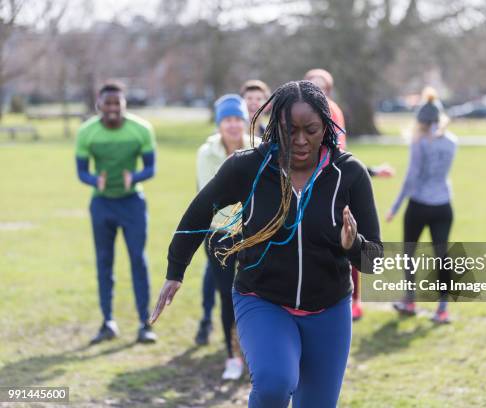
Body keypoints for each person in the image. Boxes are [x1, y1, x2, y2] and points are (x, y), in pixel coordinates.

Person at [150, 80, 383, 407]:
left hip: (329, 308)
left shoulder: (350, 173)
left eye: (311, 130)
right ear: (275, 127)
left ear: (325, 128)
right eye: (291, 130)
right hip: (263, 300)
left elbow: (374, 259)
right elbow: (198, 214)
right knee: (275, 383)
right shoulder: (248, 167)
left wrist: (352, 244)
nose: (301, 140)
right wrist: (176, 270)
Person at [304, 68, 394, 321]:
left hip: (331, 188)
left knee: (348, 240)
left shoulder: (332, 112)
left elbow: (339, 156)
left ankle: (352, 299)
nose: (316, 89)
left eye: (321, 86)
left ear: (328, 91)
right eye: (311, 84)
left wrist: (372, 171)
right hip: (304, 186)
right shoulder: (298, 109)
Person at [75, 80, 157, 344]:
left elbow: (150, 168)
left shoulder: (141, 130)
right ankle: (107, 321)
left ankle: (145, 324)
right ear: (99, 104)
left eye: (117, 103)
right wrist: (92, 181)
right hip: (102, 204)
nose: (112, 108)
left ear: (124, 104)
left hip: (132, 203)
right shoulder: (87, 132)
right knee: (104, 262)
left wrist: (133, 177)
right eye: (107, 103)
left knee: (137, 260)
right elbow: (81, 171)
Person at [385, 87, 457, 324]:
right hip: (443, 205)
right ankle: (443, 308)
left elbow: (412, 177)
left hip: (419, 205)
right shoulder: (452, 142)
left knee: (409, 254)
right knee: (441, 256)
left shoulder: (419, 142)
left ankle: (409, 300)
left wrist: (395, 207)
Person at [194, 94, 252, 380]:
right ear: (220, 123)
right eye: (227, 120)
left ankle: (253, 351)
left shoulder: (257, 148)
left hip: (255, 234)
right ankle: (232, 356)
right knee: (228, 295)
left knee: (256, 294)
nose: (232, 125)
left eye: (237, 119)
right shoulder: (207, 153)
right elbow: (212, 199)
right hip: (219, 237)